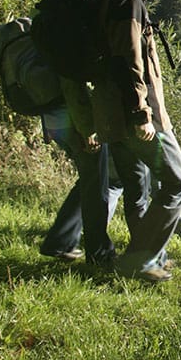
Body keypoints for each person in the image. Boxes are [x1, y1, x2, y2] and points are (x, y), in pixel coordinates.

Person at [90, 0, 181, 282]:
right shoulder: (127, 1)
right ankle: (140, 261)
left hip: (109, 115)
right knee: (178, 182)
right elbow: (129, 61)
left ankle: (150, 257)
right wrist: (141, 113)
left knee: (138, 189)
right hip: (134, 115)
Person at [39, 78, 116, 266]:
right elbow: (71, 82)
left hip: (55, 120)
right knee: (96, 186)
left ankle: (61, 241)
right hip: (77, 123)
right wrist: (88, 128)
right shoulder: (67, 49)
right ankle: (99, 255)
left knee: (92, 180)